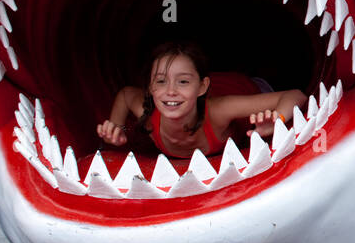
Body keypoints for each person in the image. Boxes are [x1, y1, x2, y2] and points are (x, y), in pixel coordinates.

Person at [96, 41, 308, 158]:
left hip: (246, 86)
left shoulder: (218, 110)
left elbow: (295, 95)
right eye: (161, 81)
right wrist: (117, 129)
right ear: (150, 88)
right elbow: (125, 94)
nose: (170, 91)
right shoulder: (149, 114)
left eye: (182, 82)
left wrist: (278, 118)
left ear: (202, 87)